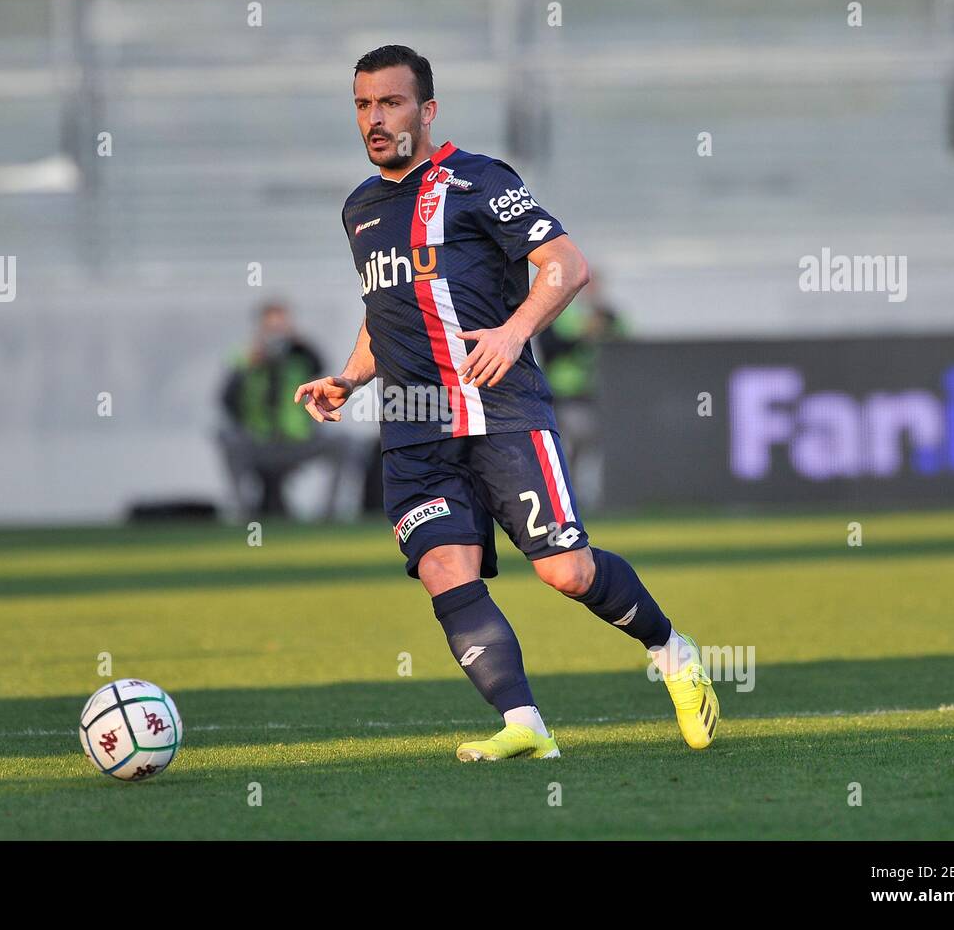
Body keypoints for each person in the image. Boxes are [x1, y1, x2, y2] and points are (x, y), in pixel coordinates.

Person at [293, 45, 719, 761]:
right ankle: (526, 724)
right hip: (413, 428)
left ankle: (672, 652)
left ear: (426, 110)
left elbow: (566, 265)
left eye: (391, 102)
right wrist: (350, 376)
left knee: (567, 572)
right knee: (443, 567)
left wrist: (516, 330)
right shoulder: (360, 208)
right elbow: (385, 306)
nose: (375, 118)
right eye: (363, 104)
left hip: (500, 409)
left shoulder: (479, 180)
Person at [218, 301, 356, 520]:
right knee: (227, 439)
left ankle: (329, 514)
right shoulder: (245, 358)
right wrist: (250, 363)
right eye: (271, 328)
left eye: (281, 327)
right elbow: (226, 400)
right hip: (259, 441)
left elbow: (321, 367)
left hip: (298, 440)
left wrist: (298, 342)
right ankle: (242, 514)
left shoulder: (301, 355)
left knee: (345, 441)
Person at [534, 279, 627, 509]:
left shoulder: (609, 315)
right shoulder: (559, 313)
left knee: (590, 448)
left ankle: (588, 496)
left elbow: (625, 343)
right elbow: (550, 347)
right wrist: (583, 336)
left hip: (598, 393)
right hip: (567, 394)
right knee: (571, 448)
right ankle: (571, 496)